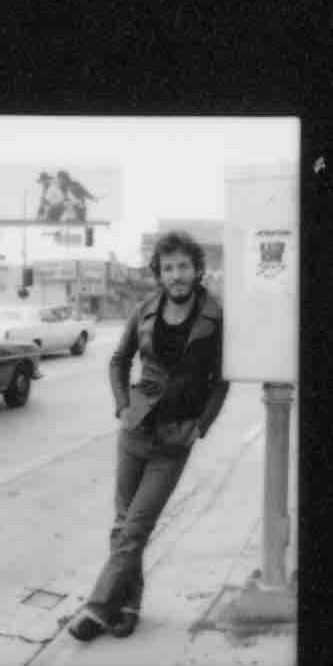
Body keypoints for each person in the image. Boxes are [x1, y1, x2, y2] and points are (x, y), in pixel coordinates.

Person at [64, 231, 227, 644]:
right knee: (123, 526)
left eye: (183, 267)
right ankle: (130, 606)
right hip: (135, 430)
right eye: (168, 268)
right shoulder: (145, 309)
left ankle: (97, 610)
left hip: (175, 440)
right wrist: (122, 405)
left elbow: (220, 381)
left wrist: (200, 425)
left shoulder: (215, 316)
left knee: (135, 527)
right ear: (159, 272)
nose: (176, 276)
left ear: (196, 270)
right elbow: (119, 360)